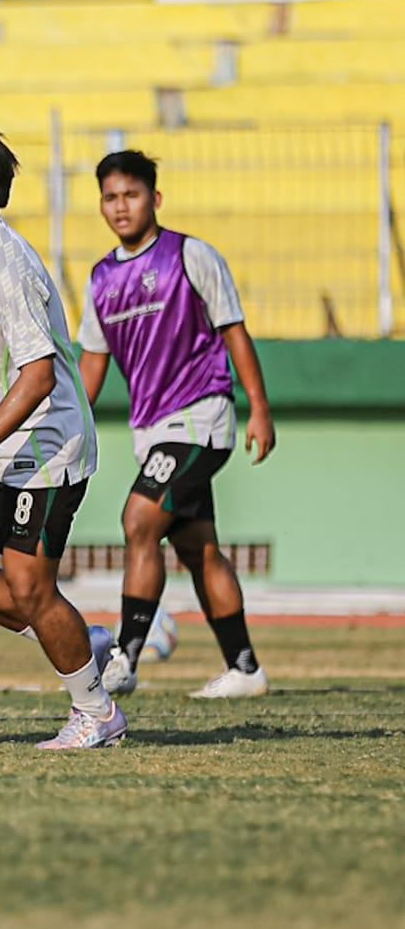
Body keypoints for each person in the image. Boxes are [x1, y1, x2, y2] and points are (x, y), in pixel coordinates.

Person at [0, 115, 125, 749]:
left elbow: (37, 378)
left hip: (46, 447)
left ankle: (97, 712)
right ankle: (78, 642)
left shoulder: (7, 264)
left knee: (29, 584)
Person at [77, 150, 274, 699]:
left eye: (132, 195)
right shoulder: (99, 279)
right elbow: (92, 364)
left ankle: (125, 657)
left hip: (200, 417)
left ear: (154, 199)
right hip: (154, 432)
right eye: (111, 197)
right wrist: (70, 425)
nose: (121, 206)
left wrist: (258, 407)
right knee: (199, 549)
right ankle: (245, 669)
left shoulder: (191, 255)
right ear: (101, 204)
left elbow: (234, 332)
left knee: (139, 519)